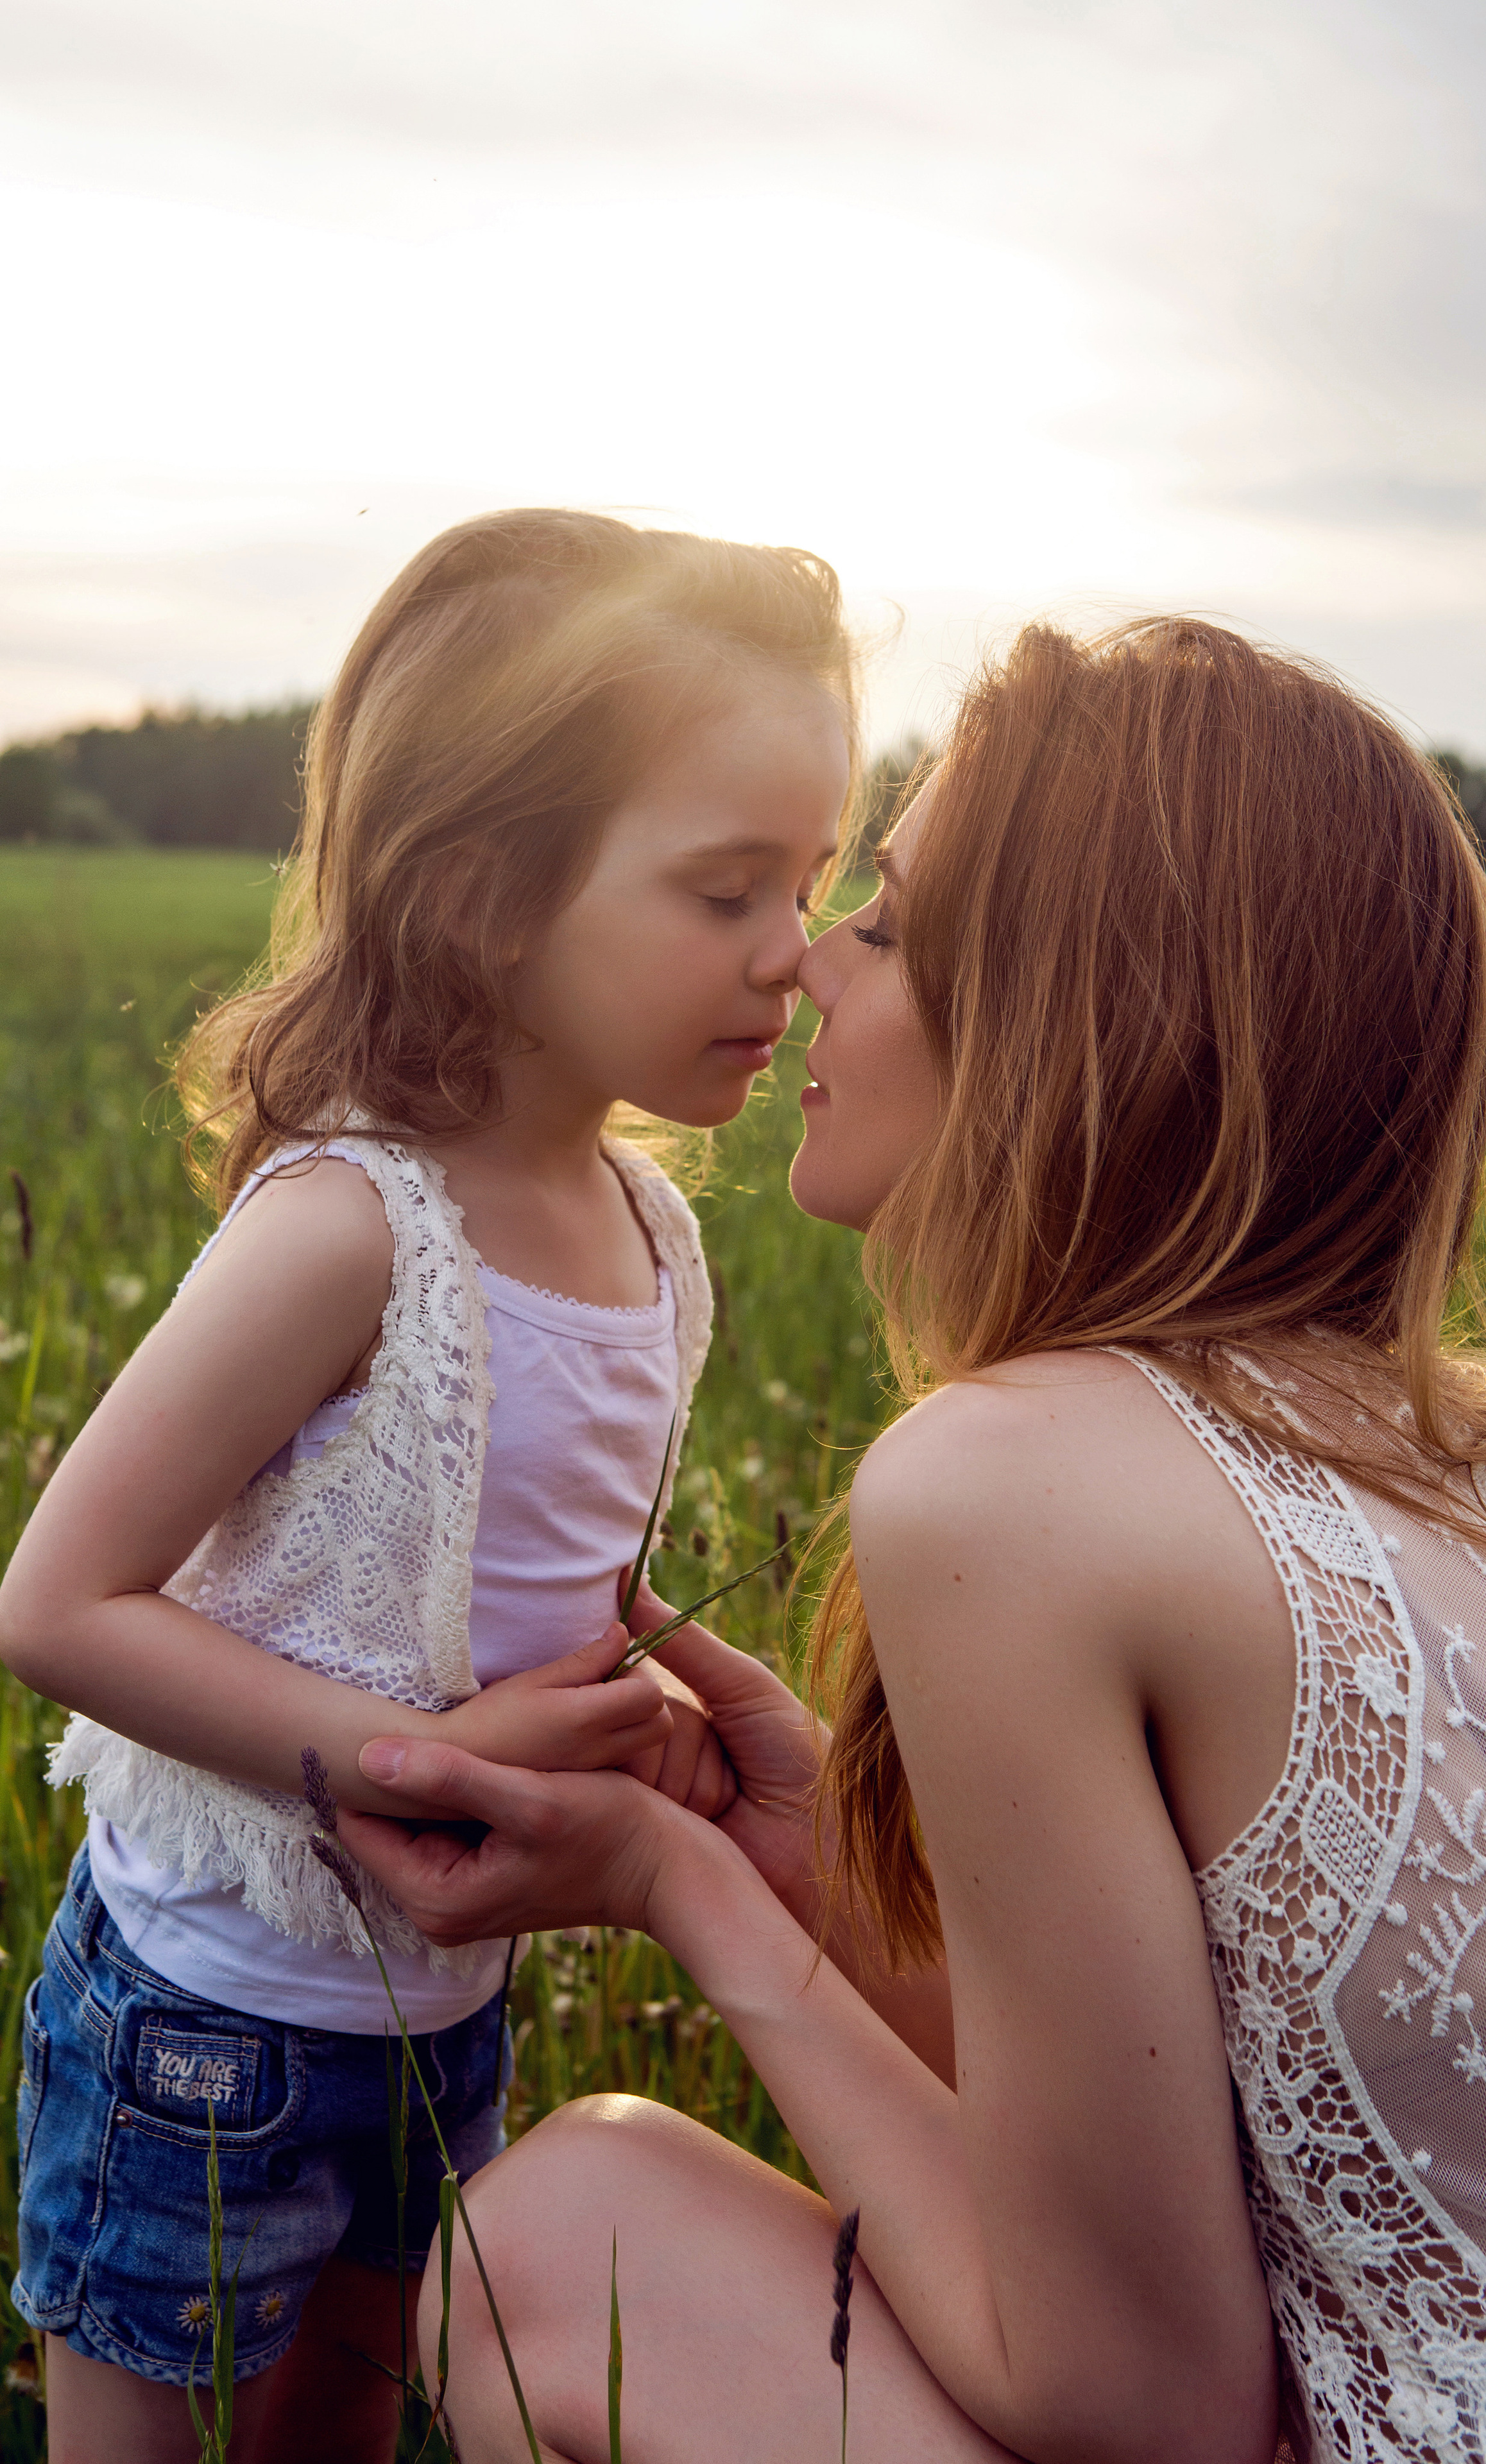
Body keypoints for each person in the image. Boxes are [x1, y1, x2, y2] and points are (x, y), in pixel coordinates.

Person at [345, 617, 1486, 2464]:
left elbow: (1143, 2401)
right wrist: (807, 1872)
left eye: (883, 917)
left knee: (562, 2244)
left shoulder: (1007, 1481)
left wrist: (677, 1887)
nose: (806, 966)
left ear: (1073, 1011)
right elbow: (1258, 2131)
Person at [0, 508, 855, 2463]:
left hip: (442, 2002)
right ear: (482, 902)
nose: (794, 954)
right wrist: (418, 1759)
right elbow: (55, 1604)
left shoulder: (653, 1230)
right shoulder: (348, 1226)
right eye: (726, 890)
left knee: (351, 2433)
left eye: (809, 883)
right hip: (205, 2025)